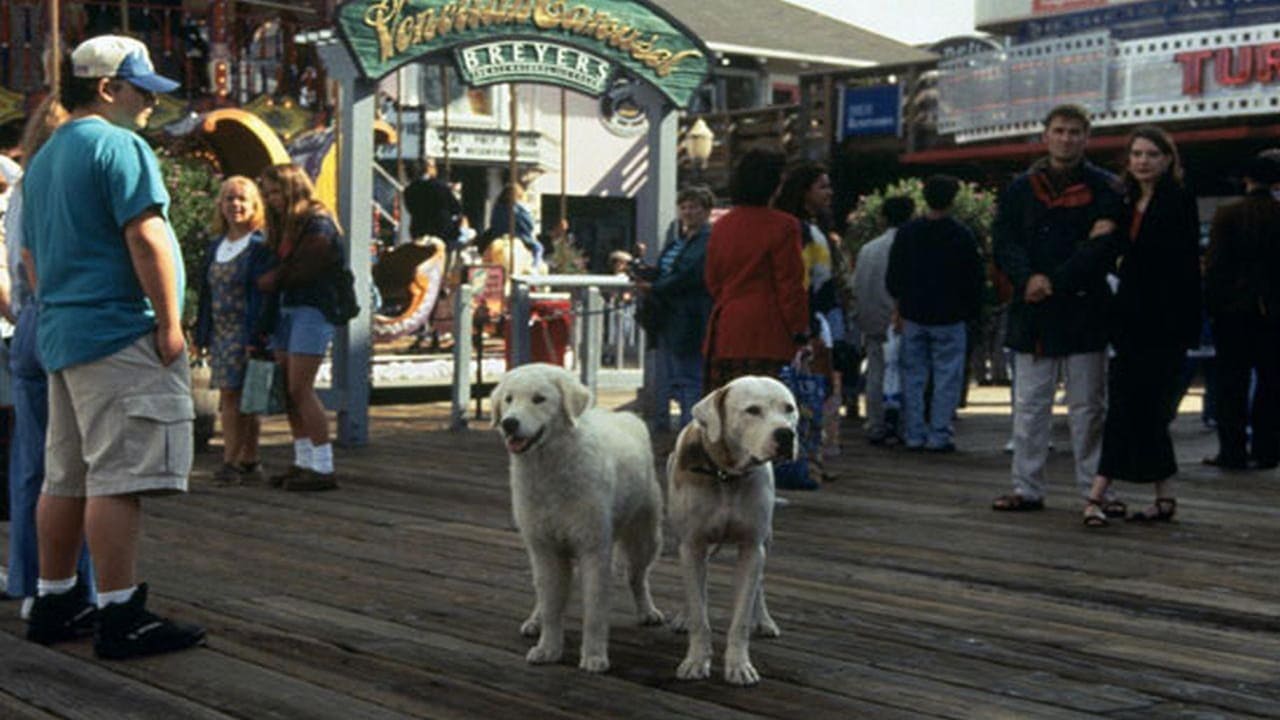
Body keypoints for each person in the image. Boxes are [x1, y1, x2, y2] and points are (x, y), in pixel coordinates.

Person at [21, 35, 205, 658]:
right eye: (141, 89)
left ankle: (54, 596)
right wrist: (171, 323)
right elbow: (147, 236)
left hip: (63, 334)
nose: (149, 104)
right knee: (117, 478)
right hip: (118, 328)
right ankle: (120, 612)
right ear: (108, 88)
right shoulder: (118, 144)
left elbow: (30, 260)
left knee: (64, 474)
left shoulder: (44, 157)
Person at [991, 104, 1124, 512]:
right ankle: (1026, 487)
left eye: (1075, 132)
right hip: (1033, 310)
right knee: (1030, 405)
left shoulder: (1107, 187)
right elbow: (1003, 241)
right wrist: (1026, 277)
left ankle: (1094, 490)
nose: (1066, 138)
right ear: (1045, 135)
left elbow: (1104, 247)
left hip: (1084, 308)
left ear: (1087, 137)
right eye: (1060, 130)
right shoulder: (1020, 188)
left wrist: (1053, 280)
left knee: (1089, 407)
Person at [0, 97, 98, 622]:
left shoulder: (20, 189)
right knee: (76, 465)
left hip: (28, 324)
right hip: (60, 313)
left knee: (32, 463)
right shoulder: (60, 184)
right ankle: (70, 583)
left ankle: (29, 577)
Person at [1080, 126, 1202, 526]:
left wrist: (1114, 239)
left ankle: (1096, 494)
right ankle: (1163, 497)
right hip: (1130, 320)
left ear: (1167, 160)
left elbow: (1167, 262)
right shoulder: (1125, 200)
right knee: (1136, 408)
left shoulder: (1178, 201)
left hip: (1163, 323)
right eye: (1136, 154)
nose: (1143, 161)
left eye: (1151, 154)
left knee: (1140, 409)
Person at [256, 163, 347, 492]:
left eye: (275, 192)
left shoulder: (317, 222)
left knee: (300, 387)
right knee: (289, 388)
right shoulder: (288, 224)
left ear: (292, 188)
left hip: (311, 307)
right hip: (288, 306)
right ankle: (304, 460)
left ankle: (323, 465)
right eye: (267, 193)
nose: (271, 199)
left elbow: (308, 266)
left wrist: (271, 280)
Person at [886, 175, 985, 452]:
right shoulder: (962, 235)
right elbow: (975, 278)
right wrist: (971, 311)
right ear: (953, 200)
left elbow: (894, 276)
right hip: (951, 316)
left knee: (913, 376)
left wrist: (901, 303)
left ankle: (914, 432)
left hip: (914, 313)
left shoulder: (908, 233)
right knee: (947, 377)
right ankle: (939, 433)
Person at [193, 176, 276, 486]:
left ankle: (235, 460)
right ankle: (243, 459)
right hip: (221, 330)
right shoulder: (216, 246)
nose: (235, 205)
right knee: (231, 394)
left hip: (248, 329)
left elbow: (264, 295)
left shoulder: (259, 246)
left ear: (255, 205)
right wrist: (202, 334)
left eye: (242, 199)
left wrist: (259, 335)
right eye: (229, 198)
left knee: (246, 396)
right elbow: (206, 293)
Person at [703, 148, 808, 391]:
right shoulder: (785, 226)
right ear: (773, 184)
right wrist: (800, 331)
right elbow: (790, 286)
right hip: (769, 333)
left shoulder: (722, 225)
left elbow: (712, 280)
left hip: (725, 330)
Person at [1202, 153, 1280, 471]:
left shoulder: (1227, 214)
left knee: (1230, 383)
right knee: (1271, 383)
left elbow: (1216, 267)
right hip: (1275, 312)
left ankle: (1231, 452)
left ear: (1246, 179)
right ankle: (1268, 450)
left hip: (1233, 312)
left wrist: (1212, 307)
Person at [776, 162, 850, 462]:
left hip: (799, 317)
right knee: (820, 386)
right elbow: (817, 279)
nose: (829, 192)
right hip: (814, 317)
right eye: (822, 186)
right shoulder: (808, 232)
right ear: (804, 192)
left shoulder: (791, 226)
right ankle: (815, 448)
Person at [635, 186, 714, 432]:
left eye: (694, 207)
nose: (688, 211)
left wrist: (654, 286)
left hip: (689, 318)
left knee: (689, 378)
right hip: (667, 317)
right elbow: (667, 270)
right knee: (670, 376)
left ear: (706, 211)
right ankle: (673, 428)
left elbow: (689, 275)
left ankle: (689, 433)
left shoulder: (705, 241)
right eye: (684, 207)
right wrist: (643, 272)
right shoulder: (678, 241)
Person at [852, 196, 914, 444]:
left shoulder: (868, 249)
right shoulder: (911, 245)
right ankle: (906, 425)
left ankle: (876, 423)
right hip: (905, 319)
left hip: (873, 319)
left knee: (876, 373)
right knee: (908, 372)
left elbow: (858, 285)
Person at [403, 158, 462, 246]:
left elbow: (410, 209)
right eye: (434, 166)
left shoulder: (409, 190)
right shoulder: (439, 186)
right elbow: (455, 208)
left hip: (419, 230)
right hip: (442, 231)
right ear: (428, 169)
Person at [488, 182, 542, 269]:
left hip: (497, 235)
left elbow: (492, 222)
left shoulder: (497, 207)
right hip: (517, 235)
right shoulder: (517, 208)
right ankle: (535, 267)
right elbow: (529, 225)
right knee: (538, 247)